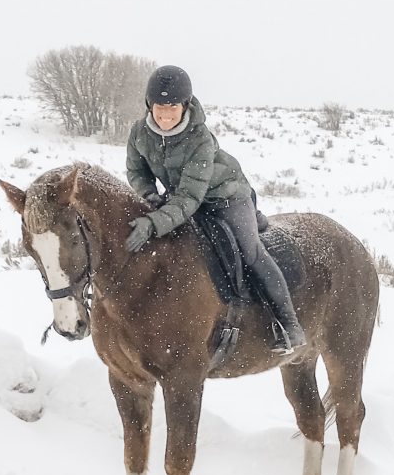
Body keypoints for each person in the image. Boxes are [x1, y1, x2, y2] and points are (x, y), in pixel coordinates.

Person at [124, 64, 307, 354]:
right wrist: (149, 195)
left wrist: (154, 221)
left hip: (226, 197)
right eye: (160, 107)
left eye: (173, 107)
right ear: (149, 104)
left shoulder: (199, 139)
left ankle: (289, 324)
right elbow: (136, 170)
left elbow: (189, 198)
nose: (166, 115)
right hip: (183, 196)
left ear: (185, 106)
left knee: (250, 252)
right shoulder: (139, 133)